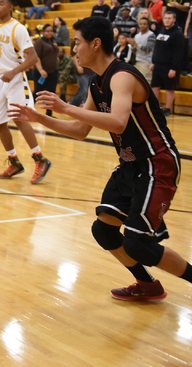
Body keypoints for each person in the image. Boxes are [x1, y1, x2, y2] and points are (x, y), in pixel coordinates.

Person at [10, 15, 192, 302]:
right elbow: (82, 130)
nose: (74, 49)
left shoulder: (122, 76)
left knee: (137, 243)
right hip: (130, 166)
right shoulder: (97, 83)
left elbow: (118, 121)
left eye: (77, 42)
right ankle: (147, 284)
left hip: (157, 164)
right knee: (104, 230)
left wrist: (66, 108)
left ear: (96, 44)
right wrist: (41, 118)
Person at [0, 0, 52, 183]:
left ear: (11, 7)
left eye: (2, 3)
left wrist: (14, 71)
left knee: (19, 118)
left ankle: (40, 159)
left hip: (15, 78)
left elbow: (33, 58)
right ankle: (14, 162)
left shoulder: (18, 29)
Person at [151, 11, 185, 116]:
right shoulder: (161, 31)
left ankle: (168, 109)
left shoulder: (177, 34)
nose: (167, 20)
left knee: (169, 89)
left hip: (169, 66)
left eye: (169, 18)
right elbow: (156, 48)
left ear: (174, 20)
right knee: (154, 87)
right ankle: (157, 108)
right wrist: (153, 61)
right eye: (165, 18)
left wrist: (174, 68)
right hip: (158, 65)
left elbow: (178, 52)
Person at [33, 24, 59, 117]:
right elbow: (36, 57)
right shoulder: (39, 42)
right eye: (47, 31)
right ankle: (29, 110)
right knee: (37, 92)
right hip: (42, 72)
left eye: (51, 31)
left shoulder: (53, 41)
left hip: (53, 72)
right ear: (43, 32)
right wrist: (41, 70)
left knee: (51, 93)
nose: (50, 33)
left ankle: (49, 114)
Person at [127, 18, 155, 82]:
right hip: (137, 61)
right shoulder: (137, 35)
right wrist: (132, 46)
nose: (142, 25)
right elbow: (135, 51)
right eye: (141, 24)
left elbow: (148, 48)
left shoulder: (151, 35)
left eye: (144, 24)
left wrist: (136, 44)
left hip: (146, 62)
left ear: (148, 25)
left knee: (145, 82)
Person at [70, 40, 94, 107]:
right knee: (84, 90)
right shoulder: (76, 40)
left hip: (92, 70)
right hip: (82, 71)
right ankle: (72, 104)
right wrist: (78, 66)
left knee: (92, 90)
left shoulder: (92, 40)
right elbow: (74, 55)